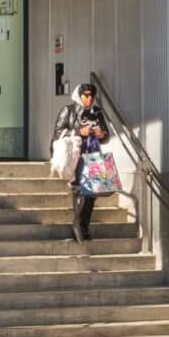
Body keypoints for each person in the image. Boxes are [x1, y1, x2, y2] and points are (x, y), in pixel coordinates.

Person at [53, 83, 112, 243]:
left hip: (93, 154)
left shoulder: (97, 112)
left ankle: (82, 225)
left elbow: (107, 135)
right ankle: (79, 225)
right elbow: (58, 133)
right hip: (76, 155)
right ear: (79, 95)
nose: (89, 99)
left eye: (92, 95)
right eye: (86, 95)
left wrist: (101, 134)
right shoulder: (69, 110)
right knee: (81, 189)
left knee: (92, 193)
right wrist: (79, 131)